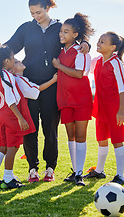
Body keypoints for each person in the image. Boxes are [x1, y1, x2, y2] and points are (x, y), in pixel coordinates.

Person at [4, 0, 90, 182]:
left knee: (50, 128)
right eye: (32, 13)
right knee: (31, 127)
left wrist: (86, 43)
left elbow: (72, 39)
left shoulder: (58, 28)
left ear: (47, 8)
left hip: (53, 85)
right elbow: (9, 47)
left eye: (39, 12)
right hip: (29, 84)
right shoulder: (26, 28)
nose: (36, 17)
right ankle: (32, 168)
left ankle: (50, 168)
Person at [0, 57, 57, 187]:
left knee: (3, 147)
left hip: (0, 114)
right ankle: (8, 179)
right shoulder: (17, 79)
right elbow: (37, 89)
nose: (19, 61)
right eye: (15, 60)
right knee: (12, 148)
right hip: (11, 116)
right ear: (9, 64)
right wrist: (54, 80)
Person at [52, 13, 94, 186]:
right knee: (71, 137)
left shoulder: (81, 51)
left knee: (80, 136)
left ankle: (79, 174)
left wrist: (59, 66)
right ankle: (75, 171)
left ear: (75, 35)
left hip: (81, 99)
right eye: (61, 31)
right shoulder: (60, 50)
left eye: (66, 31)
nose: (62, 34)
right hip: (64, 99)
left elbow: (79, 74)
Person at [83, 32, 124, 184]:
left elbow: (122, 88)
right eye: (99, 40)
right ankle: (99, 171)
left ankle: (120, 175)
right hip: (100, 107)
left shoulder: (116, 62)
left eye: (102, 41)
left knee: (117, 140)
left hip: (114, 109)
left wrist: (121, 111)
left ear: (112, 47)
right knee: (101, 139)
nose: (98, 43)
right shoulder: (99, 61)